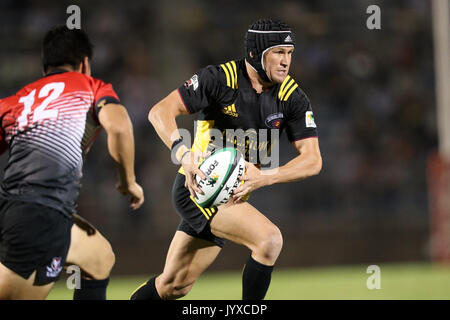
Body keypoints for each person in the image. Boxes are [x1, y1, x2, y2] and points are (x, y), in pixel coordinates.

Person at [131, 18, 321, 300]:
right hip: (199, 190)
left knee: (173, 286)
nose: (286, 61)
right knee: (269, 240)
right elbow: (159, 111)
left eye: (290, 53)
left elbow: (313, 161)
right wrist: (183, 153)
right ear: (256, 53)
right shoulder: (219, 78)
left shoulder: (292, 97)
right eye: (278, 52)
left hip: (230, 195)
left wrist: (266, 177)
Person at [0, 25, 144, 300]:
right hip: (41, 212)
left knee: (98, 257)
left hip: (18, 207)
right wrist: (129, 182)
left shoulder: (19, 100)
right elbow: (119, 127)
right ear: (86, 63)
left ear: (45, 68)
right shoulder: (93, 87)